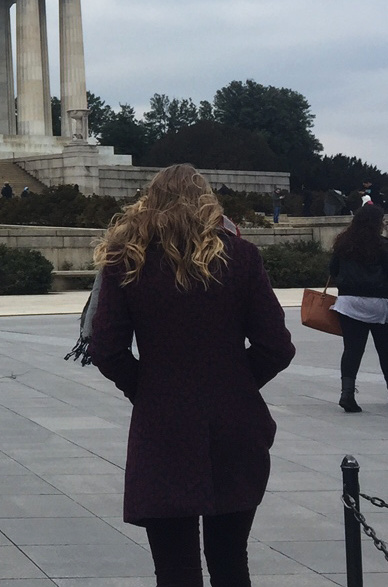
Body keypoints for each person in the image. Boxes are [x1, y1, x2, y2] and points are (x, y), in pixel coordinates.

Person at [89, 164, 295, 587]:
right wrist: (236, 384)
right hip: (235, 423)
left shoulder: (126, 260)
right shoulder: (241, 257)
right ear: (207, 201)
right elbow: (277, 345)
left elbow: (106, 347)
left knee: (175, 569)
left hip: (162, 424)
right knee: (231, 560)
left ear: (149, 202)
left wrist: (146, 387)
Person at [328, 204, 388, 412]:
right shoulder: (384, 245)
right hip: (380, 303)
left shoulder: (343, 244)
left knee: (352, 350)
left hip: (349, 303)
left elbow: (333, 270)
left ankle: (347, 393)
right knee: (387, 350)